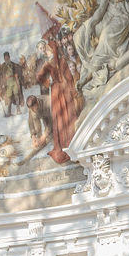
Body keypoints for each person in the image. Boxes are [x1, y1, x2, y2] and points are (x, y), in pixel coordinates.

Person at [34, 28, 82, 164]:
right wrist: (69, 88)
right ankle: (71, 144)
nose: (50, 52)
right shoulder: (59, 62)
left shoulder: (51, 63)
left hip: (57, 90)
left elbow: (39, 76)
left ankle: (67, 145)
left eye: (50, 50)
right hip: (63, 90)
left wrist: (48, 82)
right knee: (66, 117)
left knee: (63, 117)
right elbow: (68, 78)